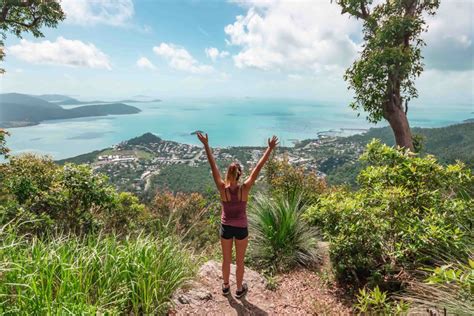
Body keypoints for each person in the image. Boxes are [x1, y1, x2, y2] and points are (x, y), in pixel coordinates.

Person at [197, 132, 279, 298]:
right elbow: (258, 168)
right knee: (240, 262)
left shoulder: (222, 189)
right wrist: (269, 149)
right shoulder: (245, 189)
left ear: (228, 174)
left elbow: (213, 167)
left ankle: (226, 286)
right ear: (240, 174)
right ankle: (239, 289)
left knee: (226, 260)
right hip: (241, 228)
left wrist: (206, 145)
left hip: (226, 228)